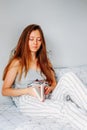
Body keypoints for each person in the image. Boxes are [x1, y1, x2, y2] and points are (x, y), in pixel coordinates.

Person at [2, 24, 87, 129]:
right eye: (31, 39)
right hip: (28, 100)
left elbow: (54, 83)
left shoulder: (44, 61)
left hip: (47, 98)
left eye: (39, 40)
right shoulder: (17, 62)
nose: (35, 43)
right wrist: (28, 91)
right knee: (67, 107)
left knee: (69, 77)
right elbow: (5, 90)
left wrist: (50, 88)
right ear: (25, 41)